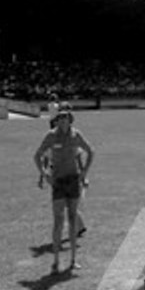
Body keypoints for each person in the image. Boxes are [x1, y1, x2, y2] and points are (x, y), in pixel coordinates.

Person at [32, 105, 95, 274]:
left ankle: (73, 260)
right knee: (58, 222)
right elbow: (37, 156)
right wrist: (45, 175)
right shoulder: (51, 136)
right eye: (60, 119)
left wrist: (84, 174)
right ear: (56, 121)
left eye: (65, 118)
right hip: (58, 182)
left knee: (73, 220)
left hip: (73, 181)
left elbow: (91, 151)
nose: (62, 121)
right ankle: (56, 262)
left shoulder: (76, 135)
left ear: (70, 120)